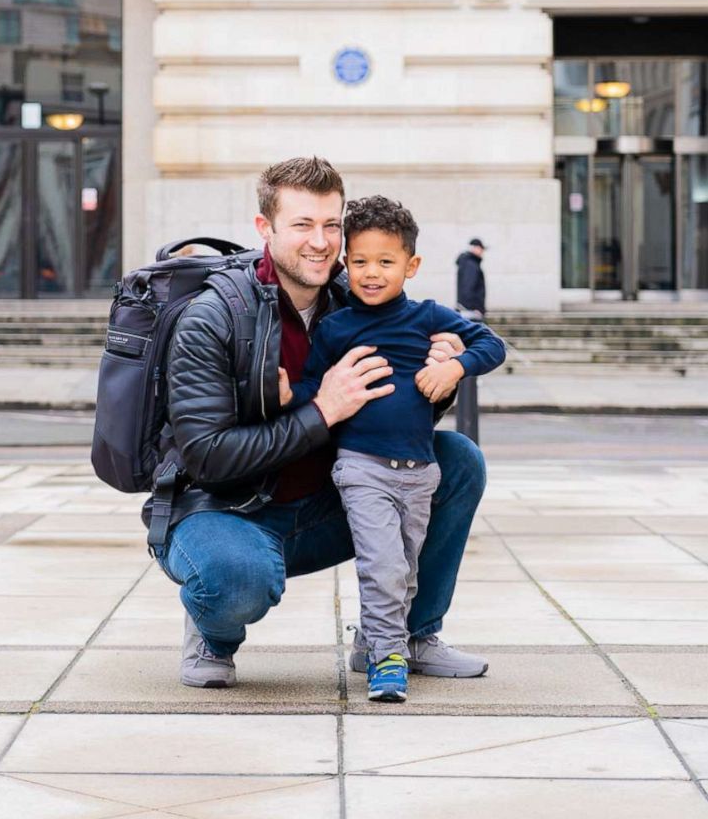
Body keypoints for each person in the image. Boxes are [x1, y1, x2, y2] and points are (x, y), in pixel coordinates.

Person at [145, 157, 493, 690]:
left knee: (457, 461)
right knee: (236, 580)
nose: (321, 242)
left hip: (331, 503)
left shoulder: (355, 299)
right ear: (266, 228)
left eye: (332, 225)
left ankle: (401, 636)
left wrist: (437, 377)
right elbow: (208, 456)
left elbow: (389, 410)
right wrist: (322, 409)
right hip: (230, 511)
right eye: (303, 224)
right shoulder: (214, 318)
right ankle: (210, 634)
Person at [280, 197, 505, 701]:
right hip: (362, 468)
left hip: (420, 470)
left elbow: (492, 345)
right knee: (381, 567)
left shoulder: (428, 317)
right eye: (359, 262)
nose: (372, 273)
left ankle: (381, 643)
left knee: (404, 571)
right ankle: (387, 661)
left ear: (412, 265)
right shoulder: (335, 328)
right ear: (345, 264)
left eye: (386, 262)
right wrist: (285, 394)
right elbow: (316, 387)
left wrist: (453, 368)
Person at [456, 238, 487, 320]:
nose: (482, 252)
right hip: (471, 310)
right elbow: (468, 287)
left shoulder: (468, 263)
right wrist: (475, 308)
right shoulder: (471, 265)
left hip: (468, 309)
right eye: (481, 248)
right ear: (475, 248)